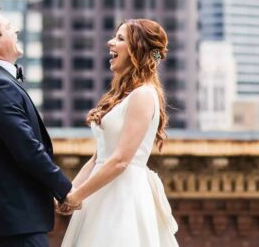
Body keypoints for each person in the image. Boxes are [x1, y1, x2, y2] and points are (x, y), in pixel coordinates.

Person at [0, 2, 77, 247]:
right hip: (14, 218)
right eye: (9, 27)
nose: (16, 31)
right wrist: (64, 190)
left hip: (11, 217)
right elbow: (27, 148)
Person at [59, 19, 180, 247]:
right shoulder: (122, 96)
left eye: (120, 39)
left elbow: (121, 160)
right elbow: (98, 158)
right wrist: (69, 192)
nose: (110, 42)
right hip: (99, 193)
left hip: (123, 197)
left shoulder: (144, 95)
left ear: (138, 50)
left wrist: (78, 196)